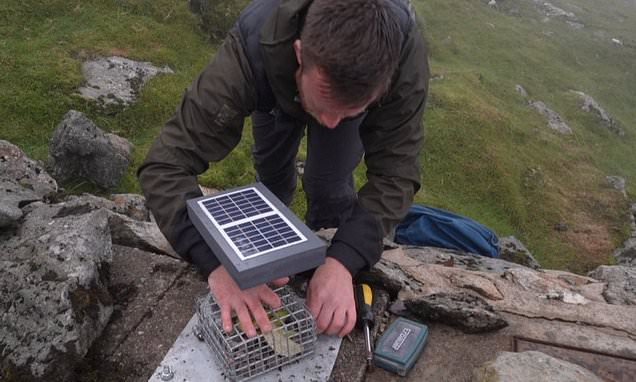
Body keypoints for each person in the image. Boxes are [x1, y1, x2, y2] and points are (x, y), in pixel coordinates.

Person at [138, 0, 429, 339]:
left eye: (350, 109)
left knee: (329, 183)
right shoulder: (253, 44)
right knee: (272, 171)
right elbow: (165, 162)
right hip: (276, 88)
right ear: (300, 52)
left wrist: (343, 261)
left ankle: (321, 251)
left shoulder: (403, 58)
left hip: (318, 82)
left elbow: (397, 172)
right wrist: (219, 265)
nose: (331, 123)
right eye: (325, 104)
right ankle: (271, 235)